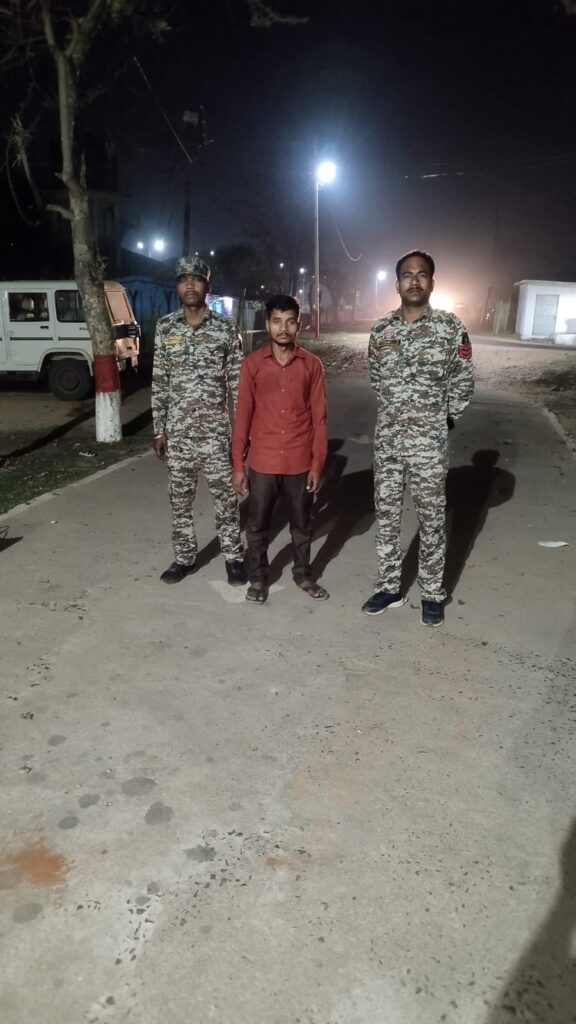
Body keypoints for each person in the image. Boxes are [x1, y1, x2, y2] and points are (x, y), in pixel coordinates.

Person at [362, 250, 474, 627]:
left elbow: (463, 379)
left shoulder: (449, 326)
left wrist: (443, 420)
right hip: (389, 442)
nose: (414, 280)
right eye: (407, 274)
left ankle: (431, 592)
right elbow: (377, 378)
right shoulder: (381, 329)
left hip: (429, 444)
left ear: (432, 283)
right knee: (387, 517)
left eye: (422, 274)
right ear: (397, 284)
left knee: (432, 519)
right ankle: (389, 587)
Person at [152, 256, 247, 586]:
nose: (189, 285)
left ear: (207, 285)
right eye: (183, 279)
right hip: (178, 434)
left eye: (196, 279)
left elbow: (239, 383)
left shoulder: (225, 328)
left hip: (216, 435)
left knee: (226, 499)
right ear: (177, 286)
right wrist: (159, 429)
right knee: (180, 501)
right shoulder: (166, 328)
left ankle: (233, 557)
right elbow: (160, 381)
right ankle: (184, 558)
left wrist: (241, 433)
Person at [231, 294, 328, 604]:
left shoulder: (311, 365)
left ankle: (303, 574)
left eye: (289, 322)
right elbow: (243, 417)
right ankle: (258, 578)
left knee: (302, 525)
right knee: (258, 526)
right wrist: (238, 466)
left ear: (299, 325)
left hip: (300, 461)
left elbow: (319, 419)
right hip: (264, 461)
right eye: (276, 321)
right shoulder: (252, 365)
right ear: (267, 324)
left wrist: (317, 465)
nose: (283, 328)